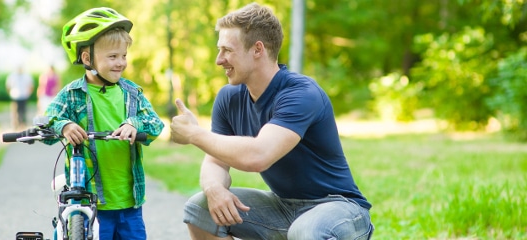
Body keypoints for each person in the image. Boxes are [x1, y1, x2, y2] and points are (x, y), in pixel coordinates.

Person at [170, 3, 373, 240]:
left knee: (305, 232)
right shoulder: (229, 97)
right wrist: (214, 189)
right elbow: (215, 162)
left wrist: (194, 134)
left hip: (339, 208)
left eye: (227, 50)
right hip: (283, 206)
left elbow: (258, 156)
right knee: (200, 208)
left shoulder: (301, 94)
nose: (219, 60)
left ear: (258, 49)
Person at [42, 7, 164, 239]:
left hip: (129, 203)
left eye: (124, 56)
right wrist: (64, 126)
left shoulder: (132, 93)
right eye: (112, 56)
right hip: (90, 204)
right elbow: (48, 120)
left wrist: (135, 123)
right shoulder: (72, 94)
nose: (121, 63)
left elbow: (156, 124)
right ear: (87, 58)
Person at [5, 65, 34, 129]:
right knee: (15, 111)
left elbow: (31, 86)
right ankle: (15, 123)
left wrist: (28, 94)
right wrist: (10, 93)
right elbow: (8, 86)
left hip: (24, 96)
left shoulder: (27, 76)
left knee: (23, 111)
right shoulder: (12, 76)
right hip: (15, 96)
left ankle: (22, 124)